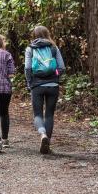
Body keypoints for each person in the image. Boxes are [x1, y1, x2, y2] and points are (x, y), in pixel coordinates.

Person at [24, 25, 65, 154]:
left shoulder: (30, 48)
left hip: (37, 85)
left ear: (34, 35)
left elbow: (28, 68)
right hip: (53, 85)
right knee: (49, 114)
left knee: (37, 114)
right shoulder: (54, 47)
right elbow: (62, 67)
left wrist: (30, 82)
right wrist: (55, 75)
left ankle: (43, 135)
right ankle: (48, 144)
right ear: (47, 34)